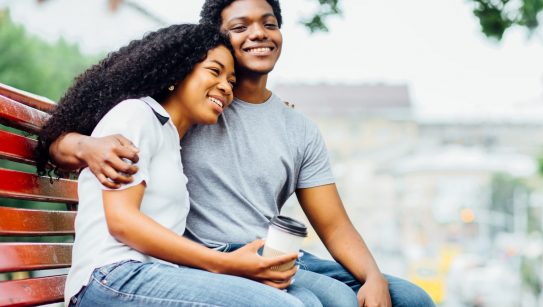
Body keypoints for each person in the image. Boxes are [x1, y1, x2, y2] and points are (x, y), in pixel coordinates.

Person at [47, 1, 435, 306]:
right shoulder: (164, 112)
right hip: (167, 263)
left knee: (411, 299)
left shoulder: (271, 123)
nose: (258, 34)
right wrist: (84, 144)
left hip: (243, 255)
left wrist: (373, 277)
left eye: (269, 23)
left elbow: (334, 225)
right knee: (330, 300)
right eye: (239, 27)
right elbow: (78, 145)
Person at [36, 24, 321, 307]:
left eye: (231, 82)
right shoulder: (137, 114)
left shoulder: (171, 140)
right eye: (214, 71)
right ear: (177, 71)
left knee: (300, 300)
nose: (225, 86)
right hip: (111, 277)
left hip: (146, 276)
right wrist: (225, 263)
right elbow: (122, 222)